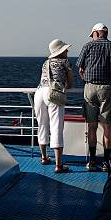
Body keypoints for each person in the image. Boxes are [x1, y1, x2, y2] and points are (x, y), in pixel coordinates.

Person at [76, 23, 111, 172]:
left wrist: (86, 81)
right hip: (107, 88)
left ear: (96, 33)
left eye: (92, 34)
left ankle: (92, 161)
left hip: (90, 88)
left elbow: (80, 68)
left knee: (92, 126)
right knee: (107, 126)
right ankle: (106, 163)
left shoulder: (88, 46)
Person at [34, 39, 73, 173]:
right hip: (54, 94)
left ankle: (44, 157)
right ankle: (59, 165)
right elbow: (70, 83)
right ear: (60, 52)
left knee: (42, 125)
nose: (67, 51)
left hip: (39, 93)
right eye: (65, 49)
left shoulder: (46, 62)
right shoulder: (65, 62)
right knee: (56, 126)